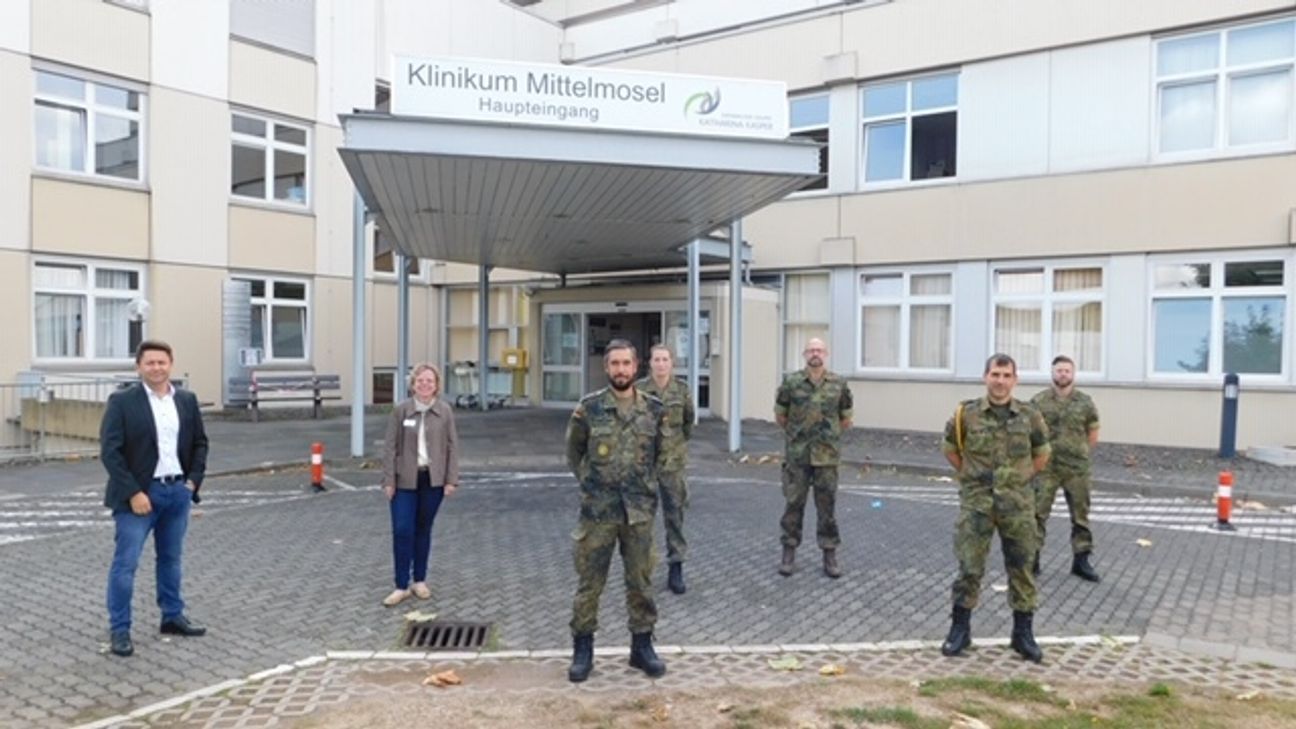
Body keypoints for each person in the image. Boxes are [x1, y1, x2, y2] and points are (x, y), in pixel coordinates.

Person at [565, 339, 669, 683]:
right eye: (615, 364)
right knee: (589, 583)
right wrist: (593, 486)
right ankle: (583, 650)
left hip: (638, 513)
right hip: (598, 515)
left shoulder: (654, 410)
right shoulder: (589, 409)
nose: (621, 370)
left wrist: (644, 487)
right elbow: (574, 453)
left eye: (626, 363)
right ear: (606, 368)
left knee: (641, 582)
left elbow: (662, 456)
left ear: (636, 366)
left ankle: (642, 647)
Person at [101, 340, 209, 658]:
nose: (156, 368)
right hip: (139, 496)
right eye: (150, 363)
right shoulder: (122, 402)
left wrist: (192, 482)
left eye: (162, 362)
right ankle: (120, 629)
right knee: (126, 565)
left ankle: (172, 616)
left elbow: (200, 443)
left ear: (171, 364)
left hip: (176, 492)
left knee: (171, 559)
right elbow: (110, 452)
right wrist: (134, 492)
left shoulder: (186, 400)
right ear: (139, 367)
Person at [940, 353, 1051, 663]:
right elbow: (950, 448)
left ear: (1015, 380)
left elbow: (1042, 454)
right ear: (985, 377)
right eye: (995, 374)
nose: (1000, 381)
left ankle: (1023, 634)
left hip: (1017, 505)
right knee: (969, 568)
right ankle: (960, 631)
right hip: (978, 504)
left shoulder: (1030, 415)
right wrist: (971, 476)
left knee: (1022, 568)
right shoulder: (966, 414)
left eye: (1006, 375)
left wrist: (1020, 479)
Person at [381, 363, 459, 607]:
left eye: (430, 381)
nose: (425, 385)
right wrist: (389, 480)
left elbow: (452, 446)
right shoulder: (401, 411)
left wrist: (451, 479)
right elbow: (390, 447)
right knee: (403, 529)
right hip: (405, 479)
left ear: (437, 385)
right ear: (413, 384)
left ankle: (420, 580)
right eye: (420, 381)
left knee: (423, 529)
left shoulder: (444, 411)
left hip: (432, 480)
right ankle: (401, 585)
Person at [774, 338, 853, 579]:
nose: (815, 354)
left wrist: (826, 437)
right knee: (793, 505)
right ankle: (788, 553)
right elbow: (781, 416)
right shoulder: (791, 382)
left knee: (827, 508)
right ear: (804, 354)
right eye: (811, 350)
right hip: (798, 456)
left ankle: (829, 554)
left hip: (826, 457)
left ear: (826, 354)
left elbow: (846, 419)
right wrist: (799, 436)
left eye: (819, 350)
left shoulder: (839, 384)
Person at [1031, 355, 1101, 582]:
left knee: (1080, 516)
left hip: (1076, 468)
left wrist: (1079, 452)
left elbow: (1092, 433)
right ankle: (1032, 560)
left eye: (1067, 371)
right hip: (1046, 468)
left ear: (1073, 374)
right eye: (1059, 370)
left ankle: (1081, 561)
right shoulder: (1038, 401)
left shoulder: (1085, 402)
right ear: (1052, 373)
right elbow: (1029, 433)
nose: (1063, 374)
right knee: (1037, 514)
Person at [636, 344, 695, 595]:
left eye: (665, 359)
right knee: (642, 520)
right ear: (649, 363)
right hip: (645, 466)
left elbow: (688, 424)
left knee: (675, 518)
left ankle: (676, 568)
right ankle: (642, 569)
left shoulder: (681, 390)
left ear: (672, 363)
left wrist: (676, 448)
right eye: (656, 359)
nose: (660, 364)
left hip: (673, 466)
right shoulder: (639, 390)